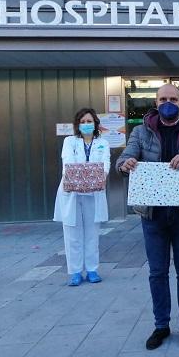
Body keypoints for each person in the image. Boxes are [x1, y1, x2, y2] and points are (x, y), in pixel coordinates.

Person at [116, 84, 179, 350]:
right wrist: (125, 164)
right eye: (163, 99)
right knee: (157, 273)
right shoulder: (140, 130)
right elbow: (125, 157)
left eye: (173, 99)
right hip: (153, 215)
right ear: (155, 102)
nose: (168, 103)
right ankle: (161, 326)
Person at [53, 108, 110, 286]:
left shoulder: (103, 142)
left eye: (89, 121)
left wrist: (99, 177)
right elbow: (67, 163)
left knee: (92, 232)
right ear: (78, 125)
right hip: (71, 192)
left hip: (94, 191)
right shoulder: (69, 141)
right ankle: (75, 272)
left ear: (95, 124)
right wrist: (81, 178)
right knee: (72, 233)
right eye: (83, 122)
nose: (86, 125)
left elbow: (105, 164)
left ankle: (92, 269)